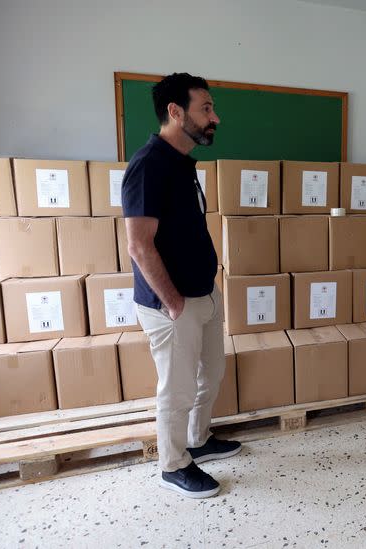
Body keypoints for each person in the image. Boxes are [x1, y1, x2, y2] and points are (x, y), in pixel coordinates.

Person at [121, 72, 240, 499]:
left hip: (203, 293)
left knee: (213, 373)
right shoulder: (149, 165)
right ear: (175, 112)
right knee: (178, 387)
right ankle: (173, 464)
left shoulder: (182, 164)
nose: (216, 118)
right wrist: (173, 302)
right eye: (206, 108)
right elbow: (138, 244)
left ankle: (197, 440)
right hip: (173, 303)